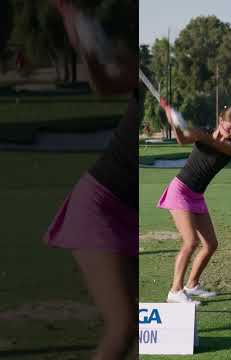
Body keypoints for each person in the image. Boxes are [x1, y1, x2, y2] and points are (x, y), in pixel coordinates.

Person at [44, 1, 138, 359]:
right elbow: (105, 86)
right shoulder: (149, 73)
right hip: (101, 205)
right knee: (124, 325)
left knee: (131, 325)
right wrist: (88, 50)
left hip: (129, 213)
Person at [157, 102, 231, 305]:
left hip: (196, 195)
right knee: (190, 242)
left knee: (211, 244)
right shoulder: (204, 133)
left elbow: (214, 143)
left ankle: (192, 285)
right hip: (180, 190)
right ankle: (175, 290)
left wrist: (189, 127)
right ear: (220, 121)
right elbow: (182, 140)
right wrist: (175, 123)